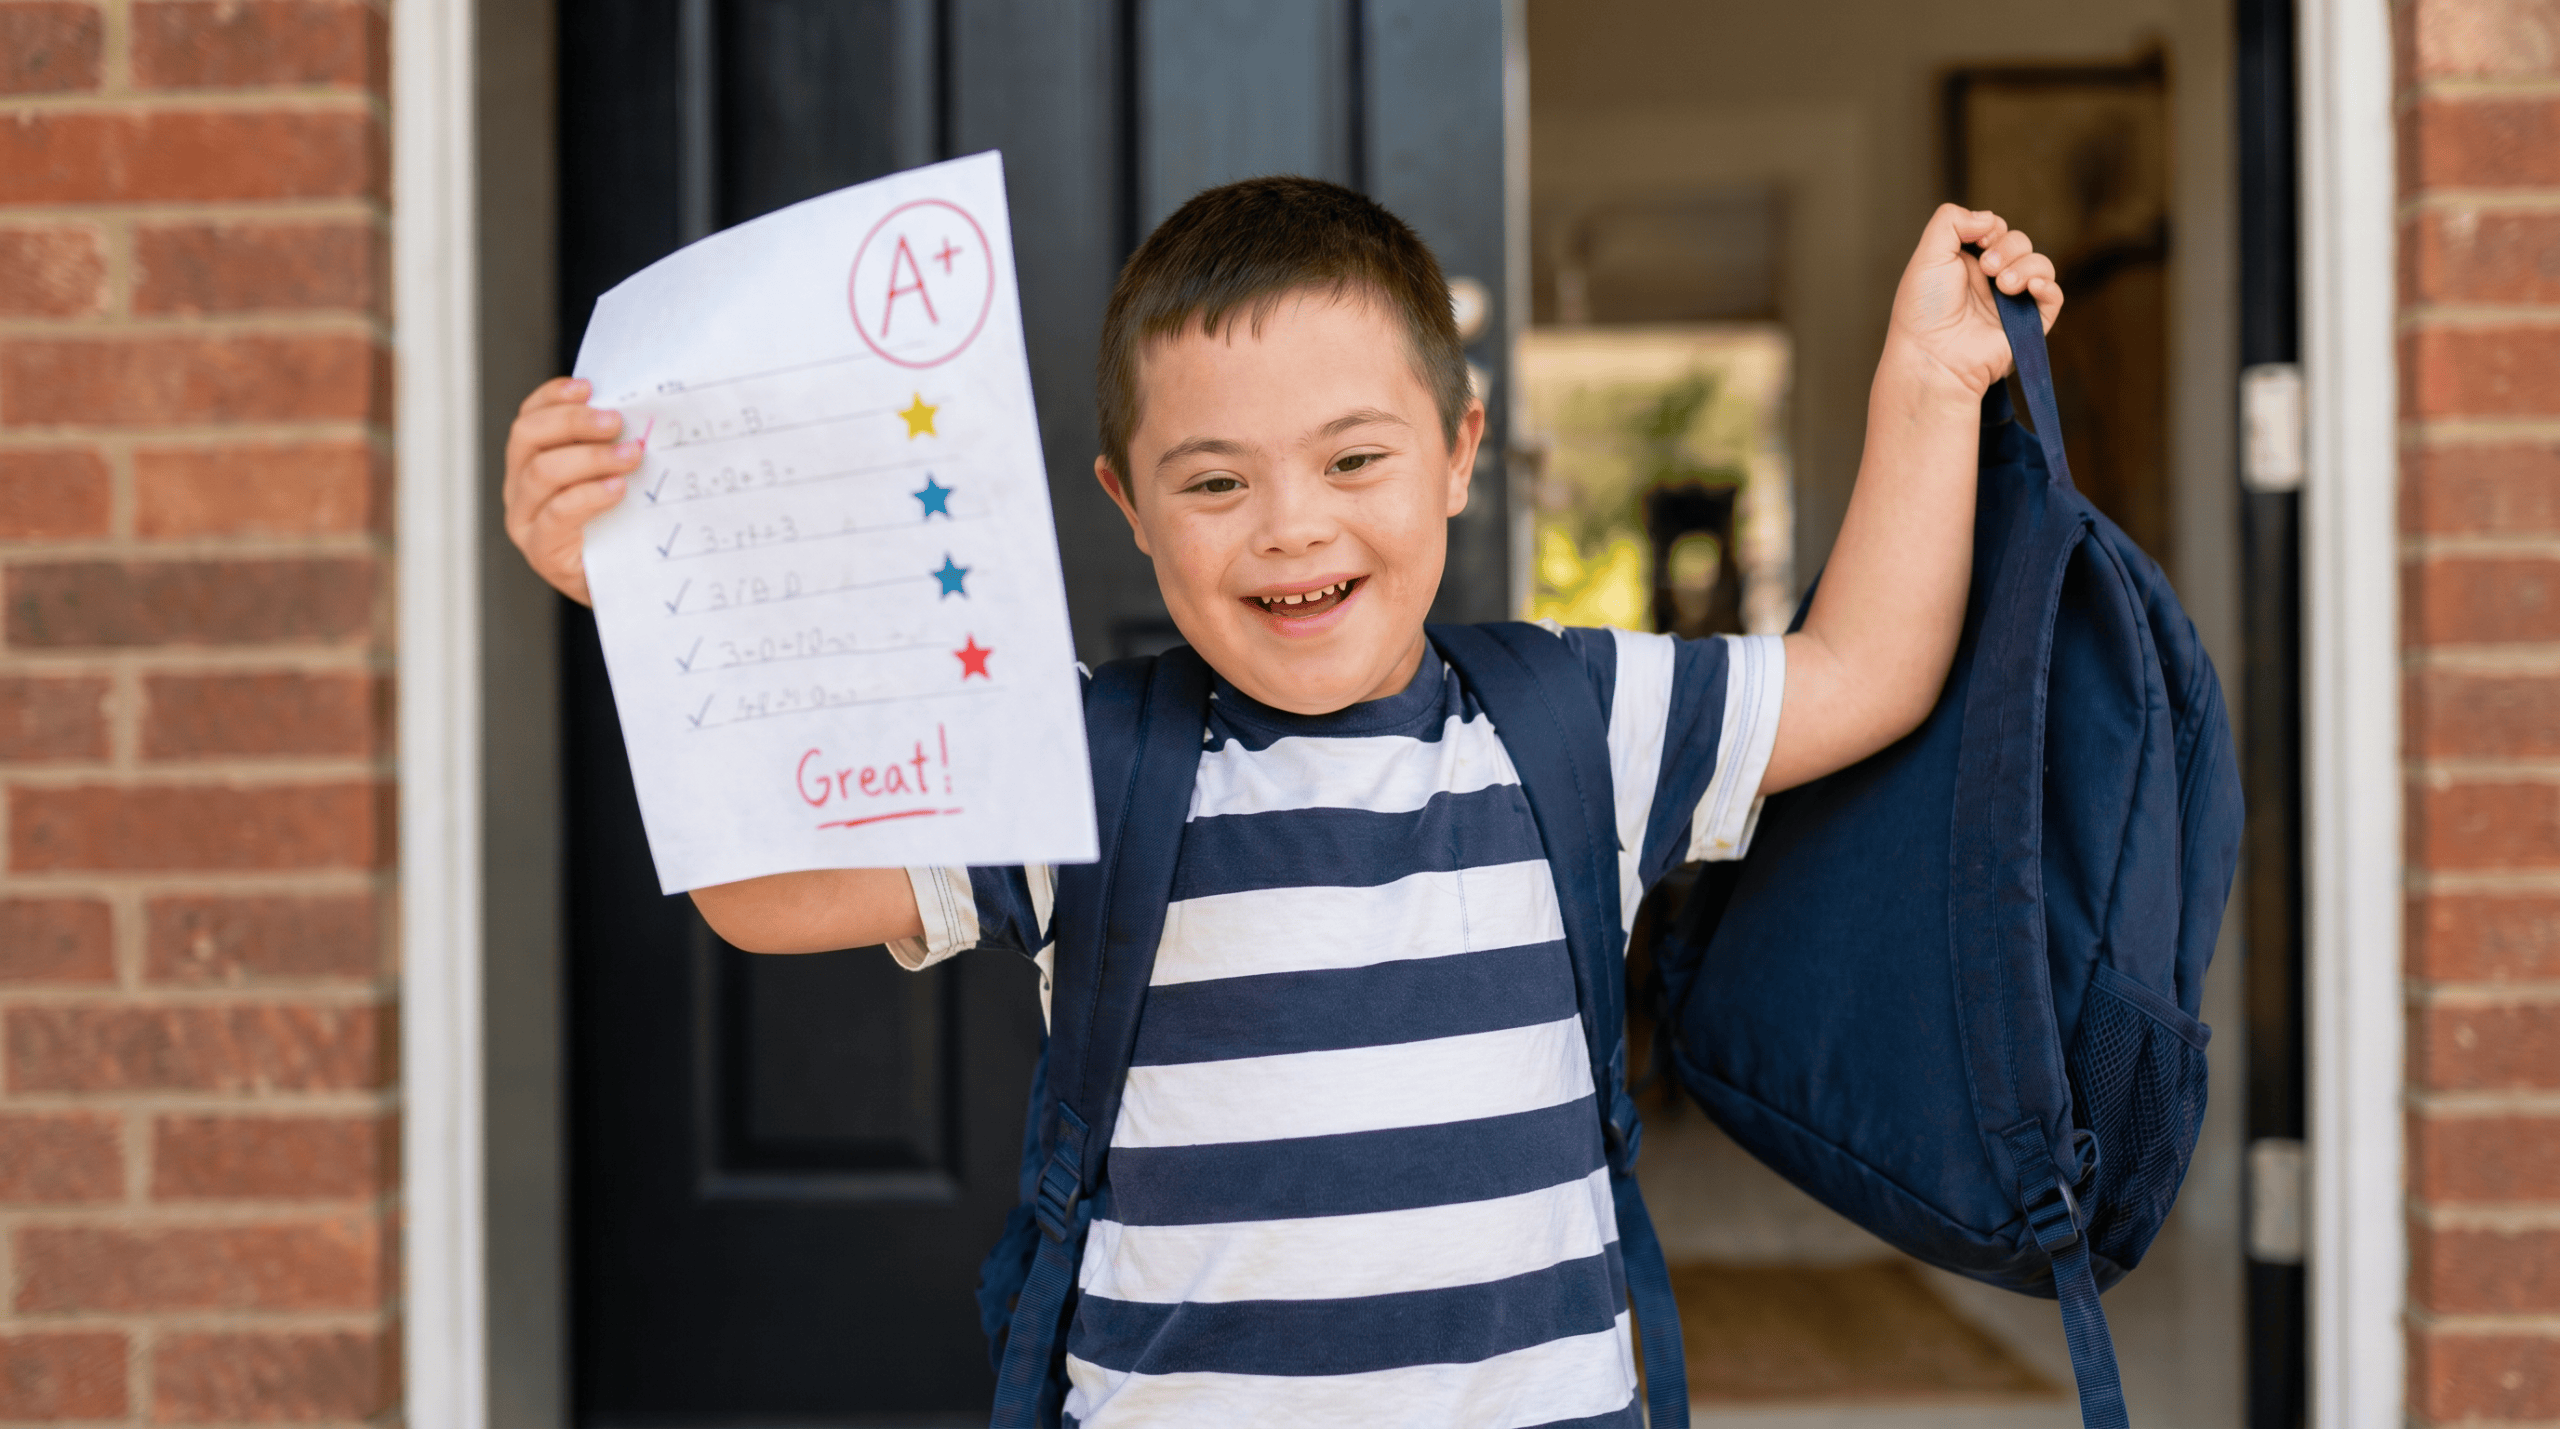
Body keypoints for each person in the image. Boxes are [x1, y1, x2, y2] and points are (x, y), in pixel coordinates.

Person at [504, 175, 2061, 1427]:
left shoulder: (1584, 722)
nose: (1290, 529)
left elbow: (1863, 673)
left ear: (1459, 454)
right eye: (1216, 481)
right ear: (1128, 505)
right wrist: (639, 598)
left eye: (1354, 458)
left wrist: (1926, 384)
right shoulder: (1070, 764)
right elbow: (763, 894)